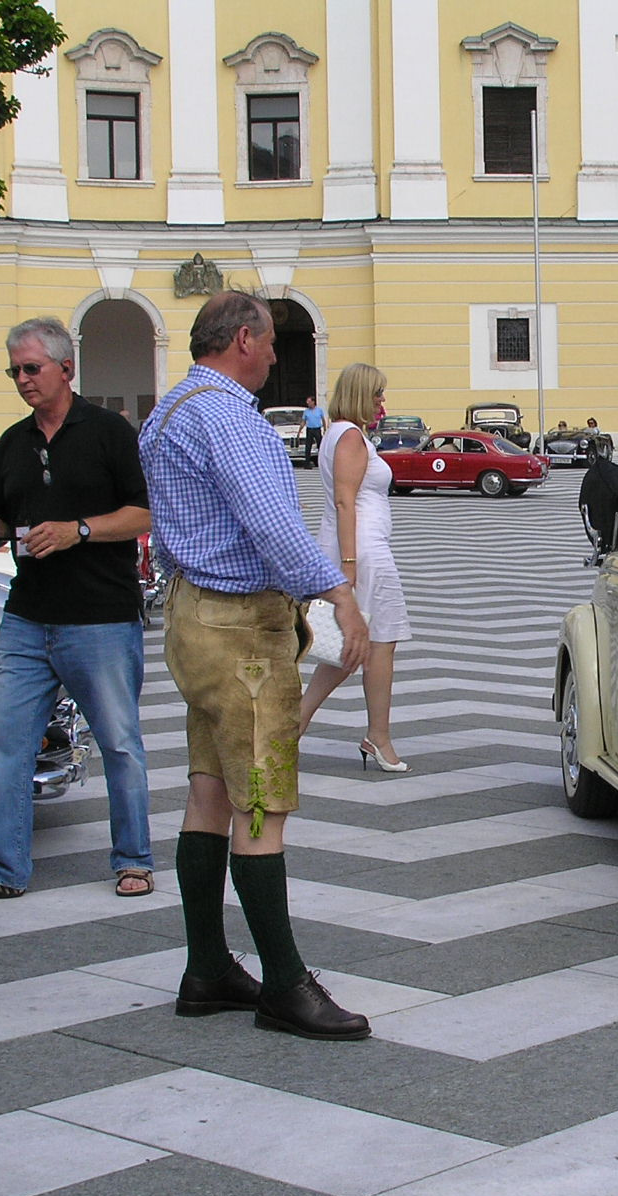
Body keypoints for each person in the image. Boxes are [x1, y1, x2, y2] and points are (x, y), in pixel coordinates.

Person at [139, 291, 372, 1041]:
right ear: (243, 339)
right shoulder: (229, 416)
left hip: (191, 614)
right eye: (271, 343)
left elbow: (173, 531)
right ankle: (283, 983)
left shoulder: (169, 409)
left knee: (209, 793)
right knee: (263, 803)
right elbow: (269, 521)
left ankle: (207, 969)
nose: (277, 356)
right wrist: (339, 594)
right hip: (240, 628)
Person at [0, 317, 157, 905]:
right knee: (5, 744)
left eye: (31, 368)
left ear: (66, 367)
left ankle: (133, 859)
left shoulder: (110, 432)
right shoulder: (13, 441)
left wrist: (78, 530)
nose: (22, 380)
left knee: (119, 742)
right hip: (28, 616)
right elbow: (2, 519)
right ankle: (3, 867)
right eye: (14, 370)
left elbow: (145, 513)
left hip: (101, 617)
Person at [298, 364, 412, 773]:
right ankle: (378, 736)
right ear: (360, 394)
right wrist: (348, 566)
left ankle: (295, 724)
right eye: (377, 395)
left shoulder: (341, 433)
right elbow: (346, 502)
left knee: (354, 645)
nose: (382, 402)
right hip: (363, 552)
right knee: (379, 642)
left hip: (360, 548)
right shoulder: (348, 436)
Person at [300, 396, 325, 467]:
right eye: (307, 402)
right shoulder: (306, 411)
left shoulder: (319, 410)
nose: (308, 403)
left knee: (320, 446)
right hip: (309, 429)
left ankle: (321, 462)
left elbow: (323, 420)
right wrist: (299, 431)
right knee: (308, 446)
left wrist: (325, 429)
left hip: (317, 429)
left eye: (309, 401)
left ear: (313, 402)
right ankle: (307, 463)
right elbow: (303, 421)